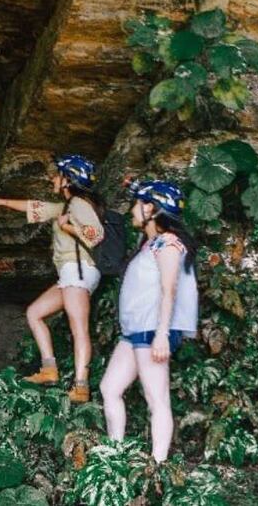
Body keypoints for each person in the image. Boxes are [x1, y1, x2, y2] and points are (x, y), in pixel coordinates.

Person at [0, 154, 105, 403]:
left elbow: (96, 234)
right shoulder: (67, 206)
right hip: (69, 274)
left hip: (78, 271)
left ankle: (81, 386)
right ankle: (49, 369)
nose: (53, 178)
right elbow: (35, 206)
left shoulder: (79, 204)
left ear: (68, 179)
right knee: (34, 312)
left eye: (58, 175)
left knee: (79, 329)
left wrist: (69, 228)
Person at [99, 179, 198, 462]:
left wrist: (162, 334)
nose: (132, 210)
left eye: (136, 204)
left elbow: (170, 290)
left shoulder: (168, 244)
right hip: (135, 330)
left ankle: (158, 465)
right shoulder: (150, 243)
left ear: (151, 209)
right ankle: (115, 453)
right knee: (110, 388)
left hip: (151, 330)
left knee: (157, 400)